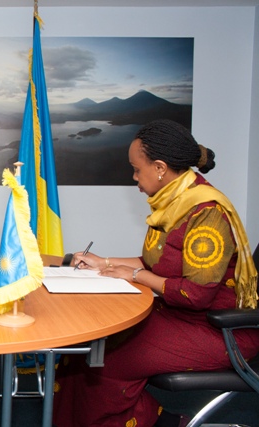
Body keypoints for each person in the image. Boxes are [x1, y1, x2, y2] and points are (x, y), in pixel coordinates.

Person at [53, 119, 259, 427]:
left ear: (160, 168)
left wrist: (134, 275)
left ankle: (156, 422)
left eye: (137, 169)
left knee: (102, 364)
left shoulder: (207, 213)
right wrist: (104, 262)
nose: (134, 178)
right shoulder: (174, 201)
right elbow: (158, 263)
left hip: (217, 331)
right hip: (176, 315)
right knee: (82, 351)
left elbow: (195, 294)